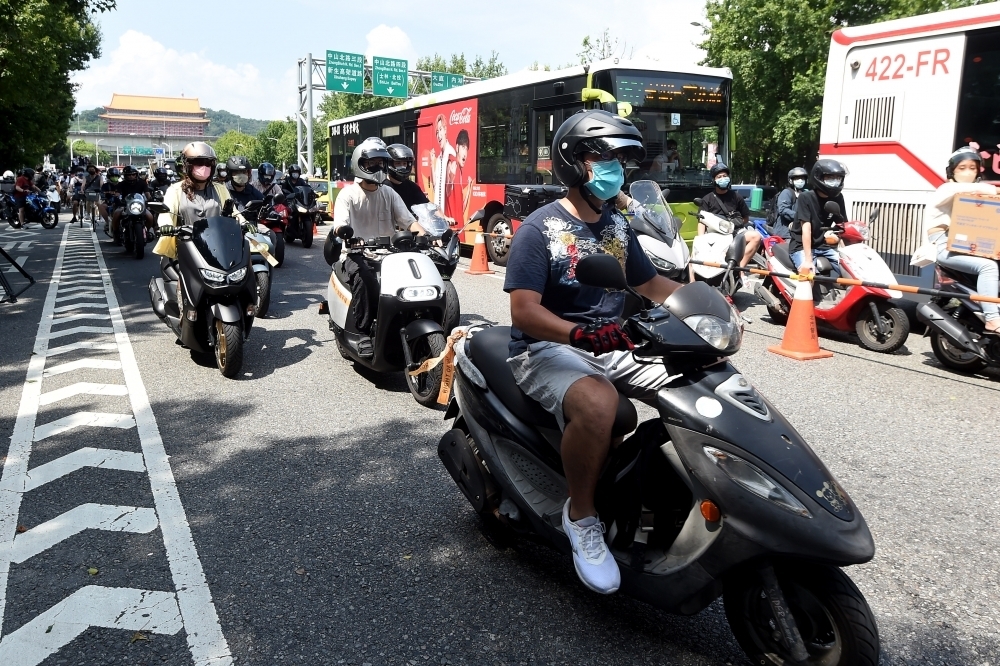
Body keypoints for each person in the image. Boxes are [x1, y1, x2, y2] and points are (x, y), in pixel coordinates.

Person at [504, 109, 682, 595]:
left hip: (614, 343)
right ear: (571, 162)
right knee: (604, 404)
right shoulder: (538, 229)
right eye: (602, 158)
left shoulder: (618, 225)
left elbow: (647, 282)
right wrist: (579, 336)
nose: (615, 170)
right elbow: (523, 311)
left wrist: (703, 303)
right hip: (547, 348)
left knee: (699, 380)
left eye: (622, 160)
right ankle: (581, 516)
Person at [331, 137, 418, 335]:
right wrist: (345, 232)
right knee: (365, 280)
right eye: (371, 163)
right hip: (356, 253)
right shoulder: (348, 194)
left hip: (389, 254)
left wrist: (428, 236)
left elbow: (409, 221)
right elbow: (340, 224)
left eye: (381, 163)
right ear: (360, 165)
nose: (378, 168)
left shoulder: (388, 193)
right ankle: (362, 331)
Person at [923, 146, 1000, 333]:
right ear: (952, 172)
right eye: (962, 168)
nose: (968, 173)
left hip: (967, 247)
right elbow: (981, 188)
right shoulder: (946, 189)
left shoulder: (974, 195)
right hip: (944, 248)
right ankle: (992, 318)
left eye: (973, 168)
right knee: (988, 267)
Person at [156, 142, 232, 234]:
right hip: (185, 243)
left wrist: (244, 223)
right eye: (198, 162)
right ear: (187, 165)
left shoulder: (221, 189)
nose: (204, 167)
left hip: (217, 243)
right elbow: (167, 213)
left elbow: (234, 212)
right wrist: (166, 225)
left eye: (208, 163)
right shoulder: (174, 190)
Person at [789, 159, 847, 277]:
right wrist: (808, 261)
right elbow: (806, 229)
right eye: (830, 178)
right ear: (818, 177)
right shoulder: (806, 197)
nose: (835, 181)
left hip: (823, 245)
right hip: (801, 246)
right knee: (808, 275)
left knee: (849, 268)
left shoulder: (838, 197)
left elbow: (843, 225)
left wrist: (846, 253)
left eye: (838, 178)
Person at [697, 163, 761, 268]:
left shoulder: (737, 197)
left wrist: (735, 225)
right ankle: (693, 280)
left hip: (734, 232)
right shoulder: (707, 199)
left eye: (725, 176)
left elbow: (746, 218)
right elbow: (701, 221)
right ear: (714, 180)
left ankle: (739, 268)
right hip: (715, 233)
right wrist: (701, 239)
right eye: (719, 177)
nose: (723, 178)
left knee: (756, 237)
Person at [110, 165, 154, 244]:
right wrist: (117, 198)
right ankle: (116, 232)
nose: (131, 176)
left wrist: (150, 199)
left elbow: (147, 194)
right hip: (124, 205)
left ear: (136, 175)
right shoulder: (121, 184)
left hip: (139, 205)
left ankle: (145, 232)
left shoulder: (142, 183)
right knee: (116, 214)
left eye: (133, 174)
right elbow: (117, 194)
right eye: (128, 175)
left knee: (150, 217)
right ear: (125, 176)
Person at [385, 144, 429, 212]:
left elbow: (427, 205)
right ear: (389, 164)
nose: (402, 167)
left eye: (404, 163)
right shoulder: (382, 187)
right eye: (398, 163)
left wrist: (442, 217)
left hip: (410, 222)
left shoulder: (412, 186)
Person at [772, 167, 808, 240]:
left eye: (802, 178)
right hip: (786, 232)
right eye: (797, 178)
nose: (800, 180)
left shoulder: (806, 193)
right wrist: (800, 217)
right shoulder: (787, 193)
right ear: (791, 180)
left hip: (803, 230)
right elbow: (783, 210)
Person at [445, 129, 472, 224]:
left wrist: (469, 188)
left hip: (460, 228)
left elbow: (462, 209)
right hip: (453, 228)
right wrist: (451, 179)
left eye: (466, 149)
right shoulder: (452, 163)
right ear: (457, 147)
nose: (465, 153)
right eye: (463, 147)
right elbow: (447, 192)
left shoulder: (460, 172)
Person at [428, 114, 455, 209]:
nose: (438, 135)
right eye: (436, 132)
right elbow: (435, 186)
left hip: (446, 211)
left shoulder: (451, 154)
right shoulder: (439, 158)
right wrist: (432, 163)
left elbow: (449, 192)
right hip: (439, 211)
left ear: (445, 130)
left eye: (440, 130)